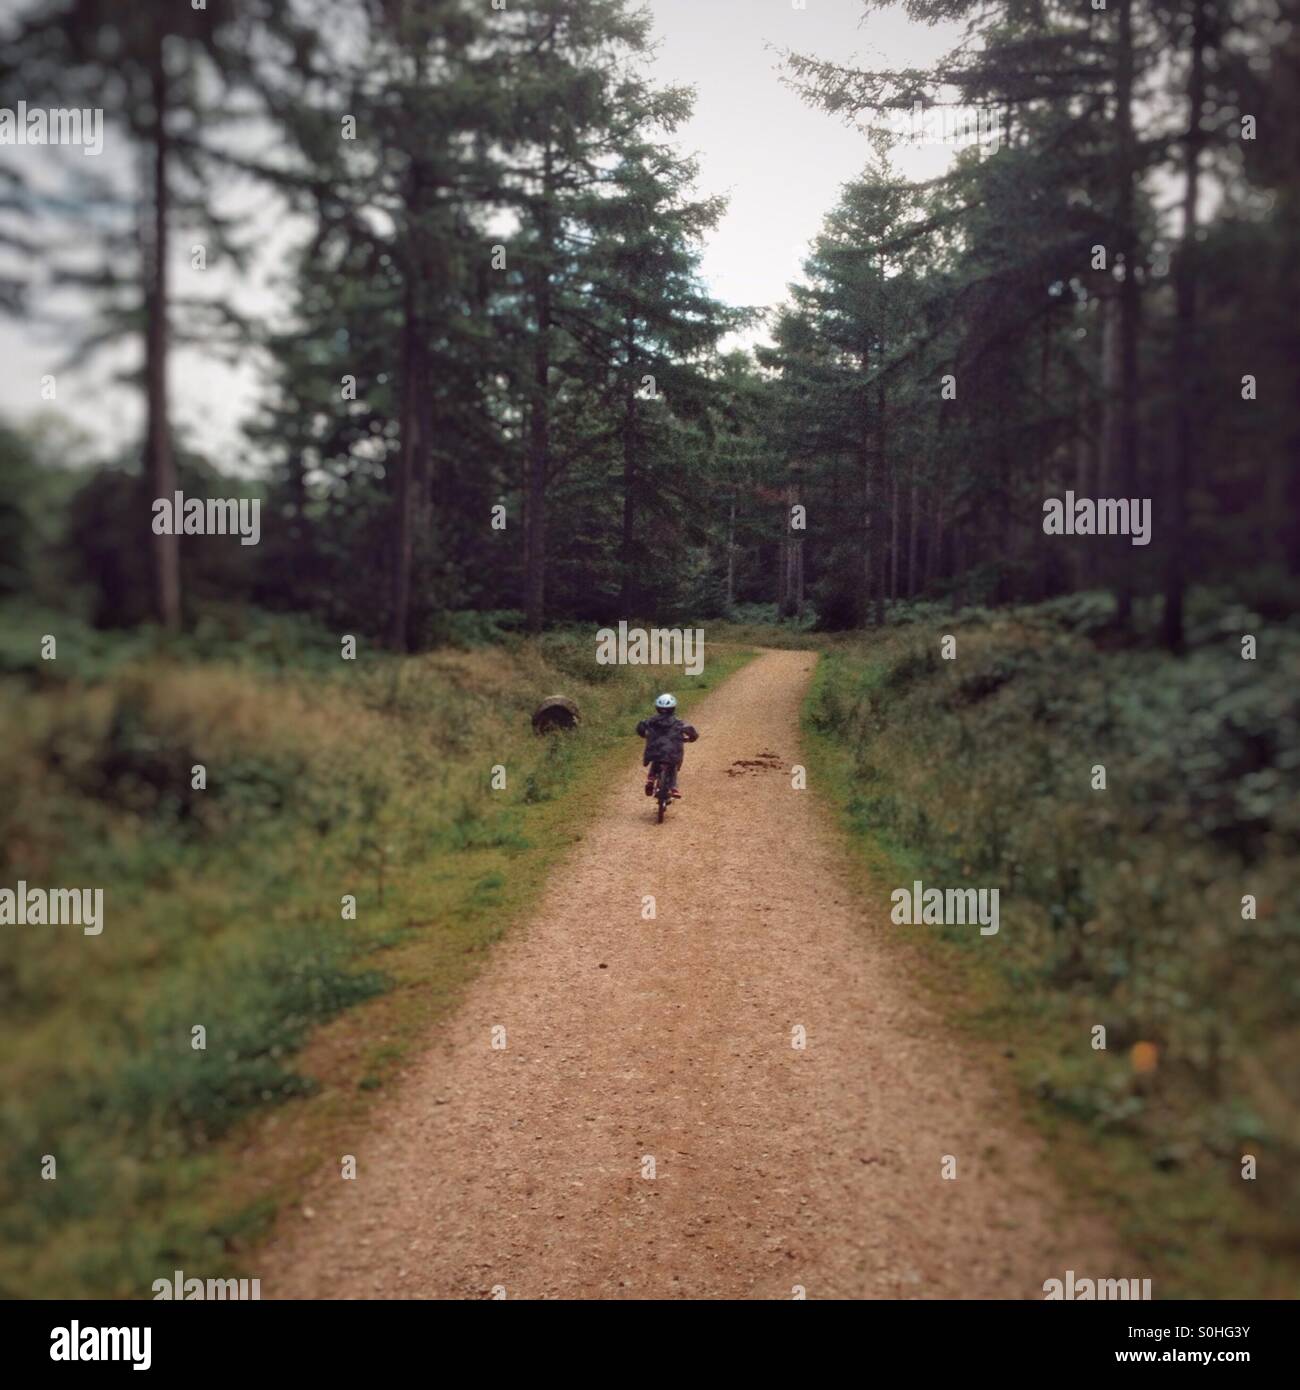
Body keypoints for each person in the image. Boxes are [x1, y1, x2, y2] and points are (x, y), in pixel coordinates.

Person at [636, 693, 698, 799]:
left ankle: (651, 779)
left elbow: (640, 727)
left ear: (657, 708)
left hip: (654, 749)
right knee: (672, 764)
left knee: (656, 759)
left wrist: (644, 735)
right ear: (673, 708)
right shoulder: (678, 723)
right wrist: (691, 738)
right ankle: (673, 787)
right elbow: (691, 732)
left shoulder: (651, 721)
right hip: (672, 751)